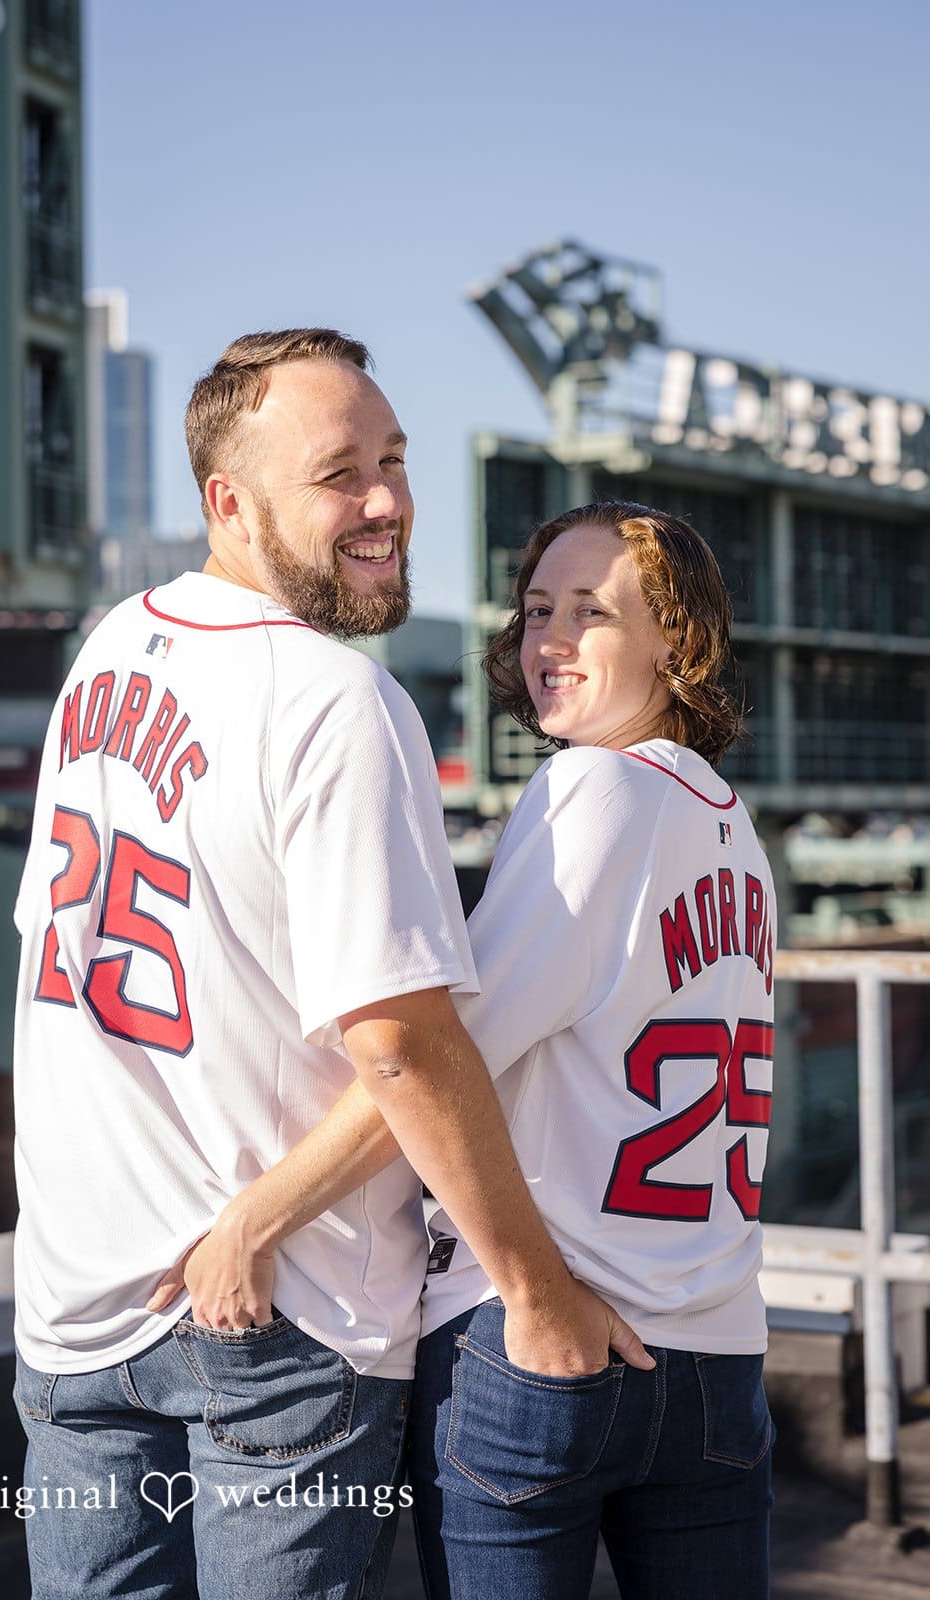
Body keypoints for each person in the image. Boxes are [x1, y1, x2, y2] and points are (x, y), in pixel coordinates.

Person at [10, 333, 650, 1600]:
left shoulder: (103, 653)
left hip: (73, 1301)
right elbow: (402, 1046)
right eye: (339, 473)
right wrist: (537, 1287)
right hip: (277, 1322)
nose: (386, 504)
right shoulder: (333, 699)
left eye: (394, 461)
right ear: (227, 501)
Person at [406, 501, 777, 1600]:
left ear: (676, 641)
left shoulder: (590, 786)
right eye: (534, 611)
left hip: (549, 1342)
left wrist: (263, 1211)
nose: (550, 640)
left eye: (590, 612)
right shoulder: (729, 821)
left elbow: (432, 1059)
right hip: (714, 1351)